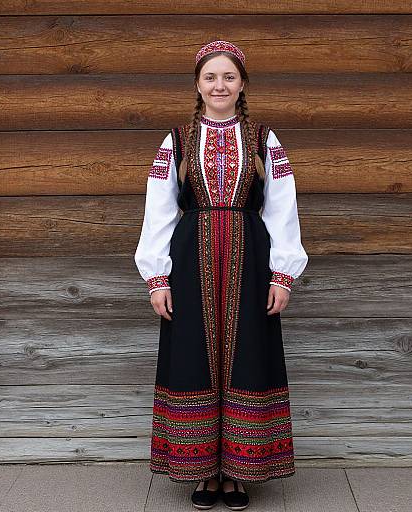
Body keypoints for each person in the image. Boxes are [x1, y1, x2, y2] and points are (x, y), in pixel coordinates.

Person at [134, 40, 309, 511]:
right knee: (193, 355)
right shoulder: (177, 141)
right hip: (191, 261)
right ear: (197, 84)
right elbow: (159, 211)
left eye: (229, 77)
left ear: (242, 84)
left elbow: (282, 208)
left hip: (250, 262)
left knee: (248, 354)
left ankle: (238, 473)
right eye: (211, 77)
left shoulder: (262, 140)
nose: (219, 85)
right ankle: (203, 472)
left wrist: (282, 275)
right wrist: (157, 277)